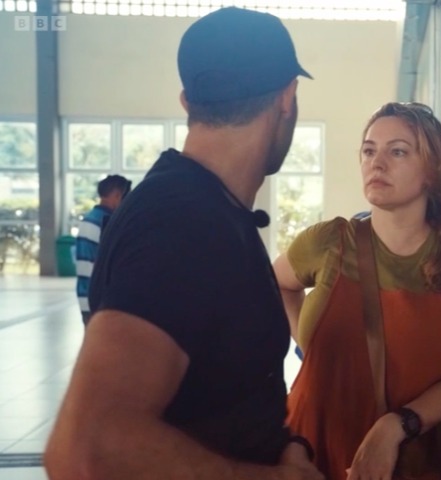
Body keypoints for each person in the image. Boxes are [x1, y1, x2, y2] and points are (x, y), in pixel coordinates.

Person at [44, 7, 324, 480]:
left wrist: (287, 447)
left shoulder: (210, 209)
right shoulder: (181, 222)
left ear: (187, 101)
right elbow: (85, 446)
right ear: (287, 98)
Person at [273, 102, 441, 480]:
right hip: (305, 453)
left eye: (397, 151)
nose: (376, 163)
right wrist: (307, 343)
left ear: (432, 169)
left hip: (406, 458)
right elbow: (276, 283)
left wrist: (395, 426)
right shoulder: (330, 240)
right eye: (368, 150)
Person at [75, 174, 131, 325]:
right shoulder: (108, 223)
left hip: (85, 294)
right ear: (117, 195)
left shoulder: (90, 219)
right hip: (99, 300)